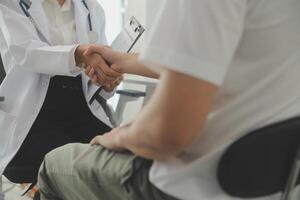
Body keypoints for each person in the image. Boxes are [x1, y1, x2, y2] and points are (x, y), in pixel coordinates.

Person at [38, 0, 300, 199]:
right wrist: (123, 60)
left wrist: (115, 137)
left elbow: (167, 135)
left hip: (196, 181)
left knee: (53, 166)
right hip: (274, 181)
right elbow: (211, 61)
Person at [0, 0, 122, 186]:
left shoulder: (92, 8)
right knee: (78, 171)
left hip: (81, 109)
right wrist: (79, 55)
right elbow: (26, 52)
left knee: (116, 162)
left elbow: (97, 76)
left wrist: (107, 82)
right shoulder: (11, 3)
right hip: (34, 117)